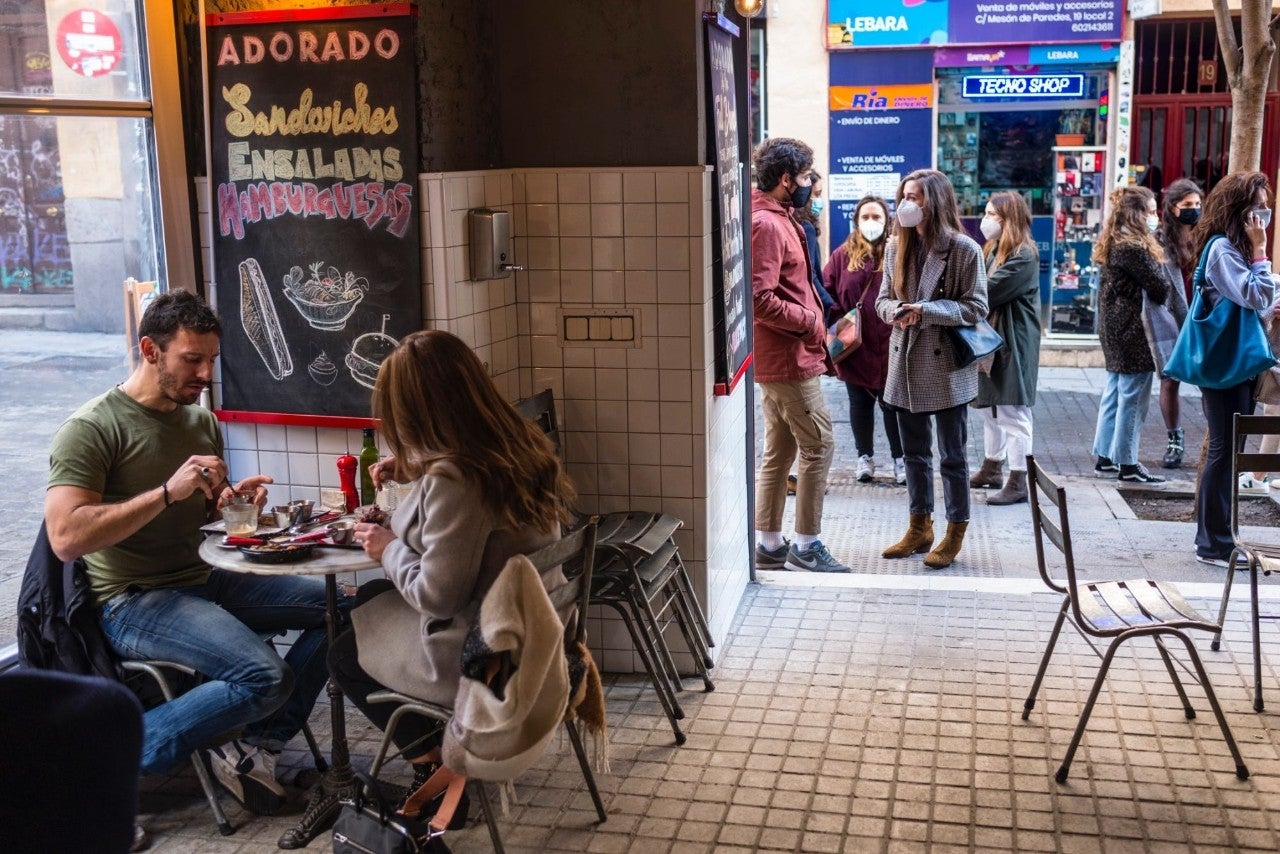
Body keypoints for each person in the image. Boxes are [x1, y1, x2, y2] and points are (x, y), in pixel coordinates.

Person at [43, 290, 341, 817]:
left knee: (346, 608)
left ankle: (257, 749)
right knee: (265, 675)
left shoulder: (199, 421)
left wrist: (233, 504)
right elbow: (65, 536)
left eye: (210, 360)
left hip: (206, 580)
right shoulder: (91, 428)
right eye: (191, 360)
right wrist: (165, 493)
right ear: (150, 350)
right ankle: (101, 766)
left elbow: (202, 515)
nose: (205, 373)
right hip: (134, 602)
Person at [328, 330, 575, 803]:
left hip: (483, 656)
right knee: (367, 601)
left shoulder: (456, 478)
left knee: (342, 651)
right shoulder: (517, 442)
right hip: (533, 631)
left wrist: (385, 547)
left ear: (416, 412)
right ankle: (440, 762)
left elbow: (438, 596)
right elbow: (466, 522)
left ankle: (435, 778)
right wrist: (413, 469)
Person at [875, 169, 989, 569]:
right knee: (914, 454)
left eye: (917, 197)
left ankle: (955, 530)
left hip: (944, 366)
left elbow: (976, 308)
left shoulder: (963, 249)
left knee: (952, 456)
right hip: (904, 358)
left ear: (936, 201)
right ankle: (919, 527)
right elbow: (882, 300)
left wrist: (925, 310)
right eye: (905, 195)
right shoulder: (895, 247)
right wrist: (896, 311)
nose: (909, 203)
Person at [749, 137, 849, 573]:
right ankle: (806, 546)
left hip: (783, 356)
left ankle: (769, 544)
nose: (811, 184)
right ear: (786, 180)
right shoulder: (767, 225)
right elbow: (758, 297)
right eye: (807, 177)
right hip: (789, 358)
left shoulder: (778, 216)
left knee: (781, 450)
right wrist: (809, 323)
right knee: (819, 446)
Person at [1192, 171, 1278, 567]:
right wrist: (1261, 253)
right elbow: (1255, 292)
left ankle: (1219, 538)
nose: (1264, 214)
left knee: (1231, 449)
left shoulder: (1234, 251)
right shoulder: (1224, 250)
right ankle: (1214, 544)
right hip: (1225, 365)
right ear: (1239, 211)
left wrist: (1268, 310)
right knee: (1225, 450)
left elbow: (1252, 305)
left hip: (1236, 363)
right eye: (1258, 206)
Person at [823, 195, 906, 485]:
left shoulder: (898, 251)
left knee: (893, 403)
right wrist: (837, 322)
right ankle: (865, 457)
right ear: (856, 221)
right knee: (859, 402)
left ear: (888, 221)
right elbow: (827, 292)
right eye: (865, 217)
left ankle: (900, 459)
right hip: (855, 345)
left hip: (890, 342)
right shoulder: (842, 255)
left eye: (877, 217)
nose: (871, 223)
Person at [1090, 186, 1168, 485]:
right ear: (1137, 214)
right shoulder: (1133, 248)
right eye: (1150, 211)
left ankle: (1106, 457)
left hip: (1114, 328)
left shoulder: (1114, 242)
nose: (1155, 216)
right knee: (1133, 397)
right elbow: (1160, 288)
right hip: (1132, 330)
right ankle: (1128, 462)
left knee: (1114, 393)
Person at [968, 191, 1041, 505]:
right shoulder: (993, 249)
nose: (985, 220)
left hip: (1013, 339)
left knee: (1012, 410)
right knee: (990, 407)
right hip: (991, 339)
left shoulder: (1023, 254)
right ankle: (992, 467)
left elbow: (987, 290)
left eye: (991, 214)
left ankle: (1019, 480)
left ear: (1008, 219)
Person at [1150, 178, 1198, 468]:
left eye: (1197, 205)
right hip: (1172, 317)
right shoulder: (1159, 240)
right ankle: (1174, 438)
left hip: (1204, 317)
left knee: (1210, 382)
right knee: (1170, 380)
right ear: (1172, 208)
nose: (1194, 210)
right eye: (1187, 205)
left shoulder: (1208, 236)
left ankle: (1218, 438)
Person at [793, 170, 836, 317]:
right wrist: (826, 301)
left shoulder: (792, 222)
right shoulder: (806, 227)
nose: (819, 200)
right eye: (816, 194)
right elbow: (810, 273)